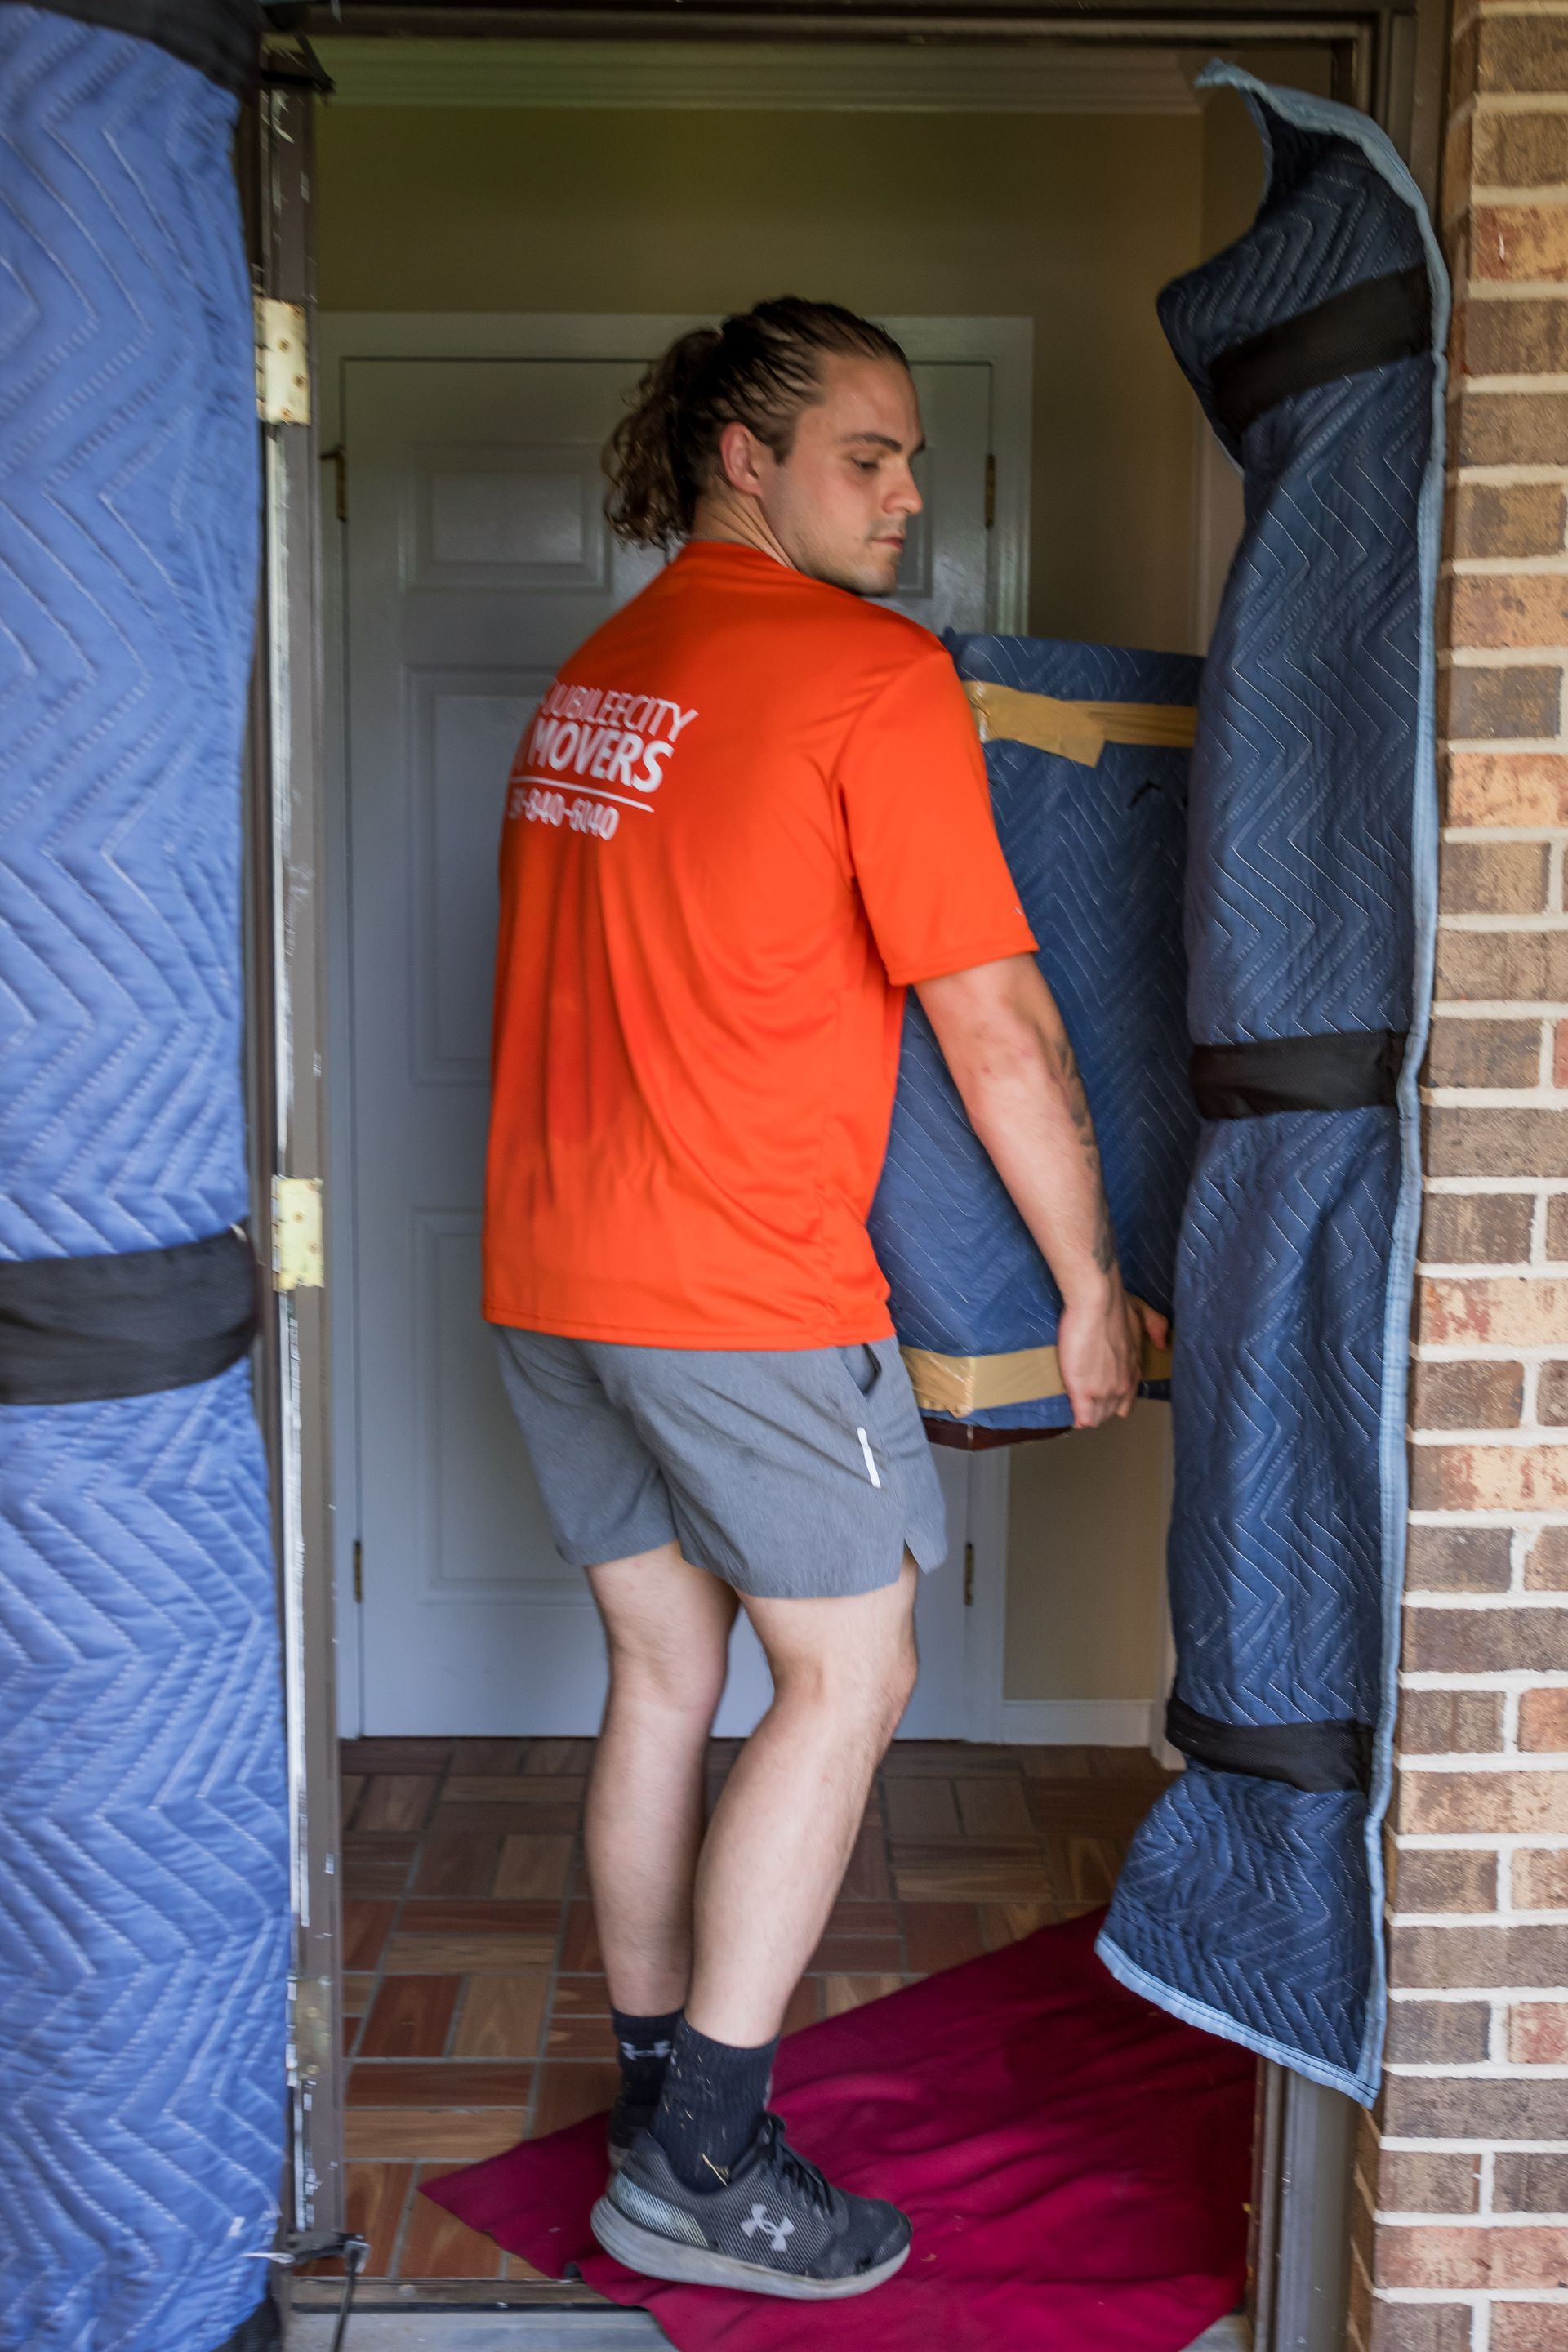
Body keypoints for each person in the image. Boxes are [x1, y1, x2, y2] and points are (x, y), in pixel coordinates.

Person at [483, 296, 1165, 2301]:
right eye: (865, 455)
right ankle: (703, 2161)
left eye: (915, 457)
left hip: (553, 1273)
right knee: (856, 1679)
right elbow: (1001, 1023)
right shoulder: (870, 680)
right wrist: (1087, 1281)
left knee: (668, 1677)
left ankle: (648, 2100)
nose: (905, 493)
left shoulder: (597, 680)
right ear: (744, 458)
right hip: (738, 1285)